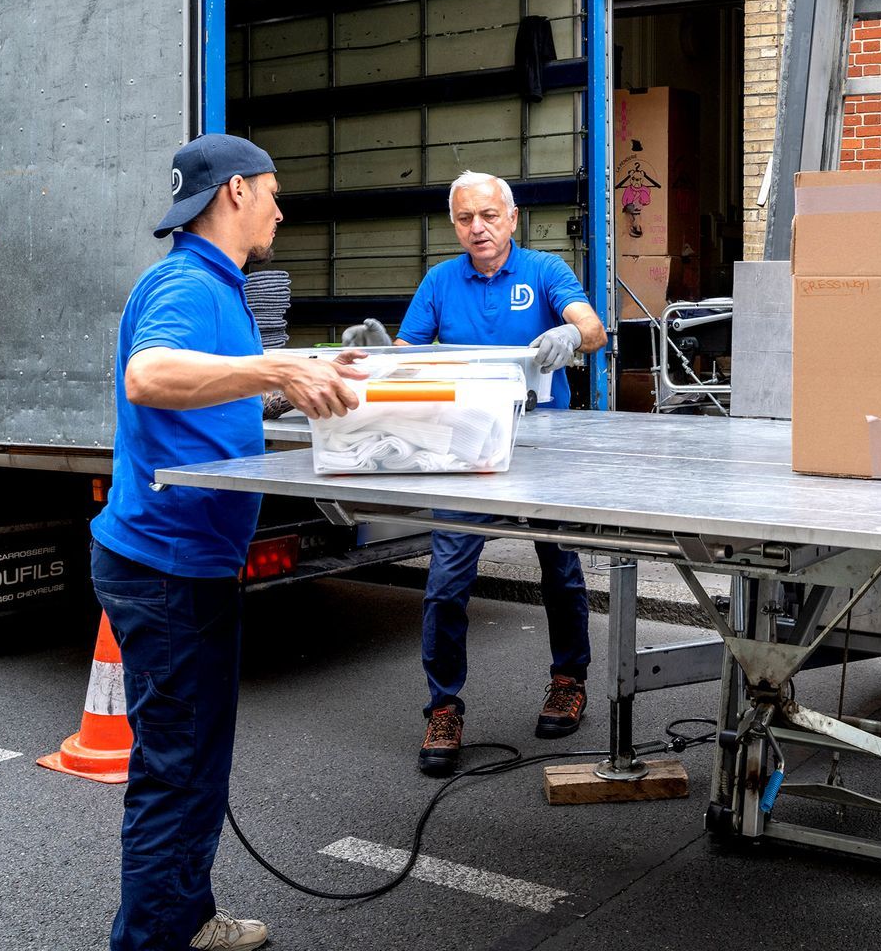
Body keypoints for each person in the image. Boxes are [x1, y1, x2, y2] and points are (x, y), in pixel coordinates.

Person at [90, 133, 367, 951]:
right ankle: (151, 942)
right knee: (176, 775)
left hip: (186, 564)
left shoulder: (219, 286)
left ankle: (188, 918)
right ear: (234, 193)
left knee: (195, 765)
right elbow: (151, 376)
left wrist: (306, 374)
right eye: (272, 191)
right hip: (165, 570)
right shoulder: (184, 282)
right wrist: (278, 371)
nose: (280, 208)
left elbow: (214, 395)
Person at [378, 170, 605, 775]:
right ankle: (443, 708)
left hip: (540, 441)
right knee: (447, 581)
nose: (477, 228)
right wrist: (376, 355)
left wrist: (570, 335)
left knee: (560, 567)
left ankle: (568, 679)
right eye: (464, 219)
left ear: (511, 218)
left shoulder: (545, 272)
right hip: (466, 446)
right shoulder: (439, 281)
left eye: (488, 216)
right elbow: (407, 357)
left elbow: (593, 329)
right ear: (454, 224)